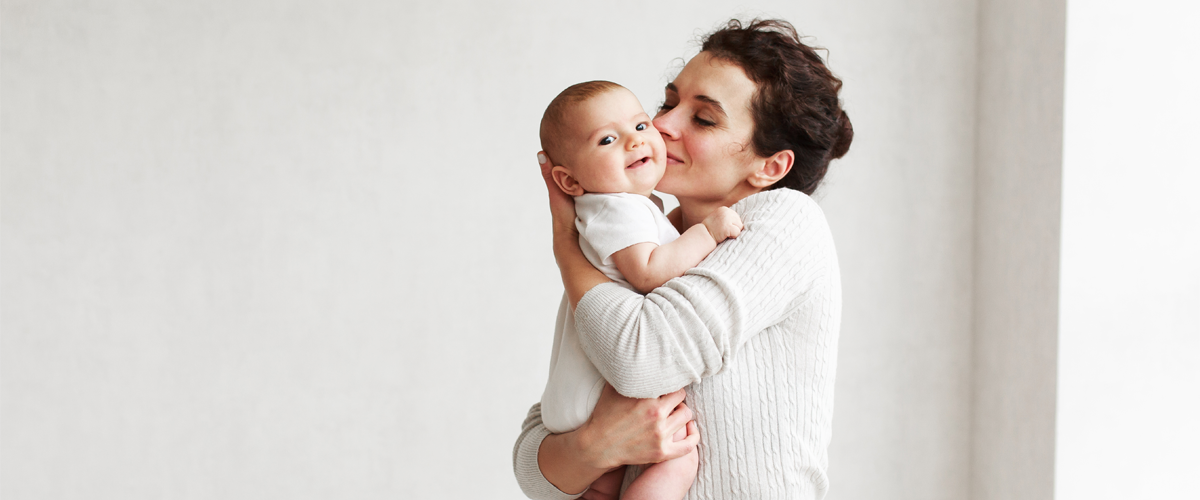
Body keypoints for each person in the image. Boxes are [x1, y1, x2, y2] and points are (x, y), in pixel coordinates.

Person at [514, 18, 853, 500]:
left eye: (704, 118)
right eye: (669, 103)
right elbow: (537, 458)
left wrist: (565, 245)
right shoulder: (644, 241)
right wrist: (596, 445)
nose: (661, 126)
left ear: (769, 166)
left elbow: (640, 359)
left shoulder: (784, 221)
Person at [536, 80, 745, 500]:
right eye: (609, 139)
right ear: (569, 181)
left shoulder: (621, 209)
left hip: (581, 402)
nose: (637, 141)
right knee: (681, 458)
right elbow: (649, 274)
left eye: (641, 124)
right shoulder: (618, 207)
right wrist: (709, 231)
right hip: (601, 394)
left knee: (603, 485)